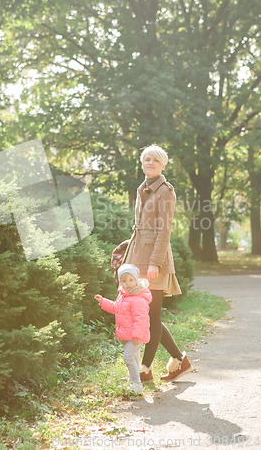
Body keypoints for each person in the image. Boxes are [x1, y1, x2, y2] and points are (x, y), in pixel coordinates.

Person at [123, 144, 192, 382]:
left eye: (155, 160)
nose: (149, 163)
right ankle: (179, 360)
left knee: (152, 317)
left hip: (156, 261)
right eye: (146, 159)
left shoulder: (166, 192)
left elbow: (164, 232)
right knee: (146, 315)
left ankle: (145, 369)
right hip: (138, 258)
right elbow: (140, 229)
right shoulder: (142, 188)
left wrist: (154, 263)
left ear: (163, 165)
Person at [94, 263, 152, 394]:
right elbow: (116, 308)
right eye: (124, 280)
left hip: (135, 335)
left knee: (128, 357)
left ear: (136, 280)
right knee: (134, 358)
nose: (128, 283)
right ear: (120, 282)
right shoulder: (123, 295)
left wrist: (137, 335)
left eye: (131, 280)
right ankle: (134, 380)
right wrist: (103, 301)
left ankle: (136, 384)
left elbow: (141, 319)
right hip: (127, 334)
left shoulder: (138, 299)